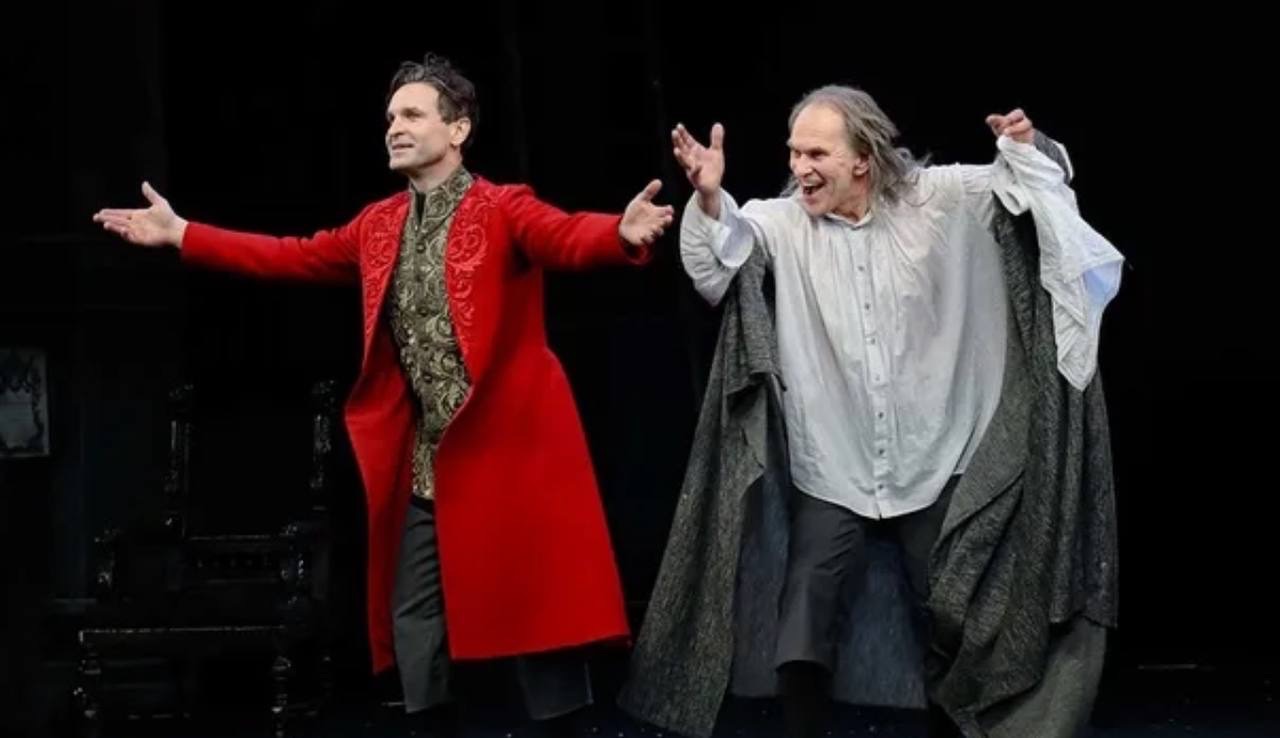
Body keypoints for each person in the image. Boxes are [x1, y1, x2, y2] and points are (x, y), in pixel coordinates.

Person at [94, 52, 674, 737]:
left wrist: (618, 233)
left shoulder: (502, 207)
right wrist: (183, 234)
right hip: (431, 458)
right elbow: (288, 254)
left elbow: (563, 235)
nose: (394, 127)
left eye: (412, 115)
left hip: (508, 451)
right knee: (414, 617)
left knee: (534, 614)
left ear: (457, 129)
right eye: (391, 117)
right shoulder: (377, 225)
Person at [620, 85, 1122, 738]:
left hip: (937, 453)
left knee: (956, 618)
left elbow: (1038, 191)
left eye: (816, 153)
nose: (799, 166)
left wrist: (1030, 148)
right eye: (794, 152)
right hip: (835, 461)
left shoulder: (942, 197)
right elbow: (715, 269)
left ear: (863, 158)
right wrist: (711, 199)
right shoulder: (784, 223)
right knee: (803, 619)